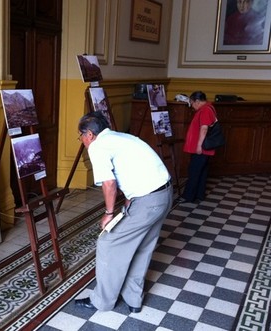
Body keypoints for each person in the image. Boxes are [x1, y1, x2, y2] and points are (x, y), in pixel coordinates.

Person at [74, 112, 172, 313]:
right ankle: (133, 299)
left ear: (90, 134)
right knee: (142, 247)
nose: (82, 141)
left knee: (108, 243)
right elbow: (134, 171)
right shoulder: (122, 138)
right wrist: (129, 203)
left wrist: (109, 214)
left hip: (148, 201)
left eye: (81, 136)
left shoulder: (98, 146)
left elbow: (109, 184)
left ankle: (102, 301)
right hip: (165, 194)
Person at [176, 91, 217, 204]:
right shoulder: (209, 108)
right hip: (205, 148)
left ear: (197, 101)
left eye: (192, 103)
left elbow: (204, 129)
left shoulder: (205, 110)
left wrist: (199, 146)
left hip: (201, 148)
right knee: (201, 171)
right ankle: (199, 194)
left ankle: (188, 196)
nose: (192, 106)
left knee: (194, 171)